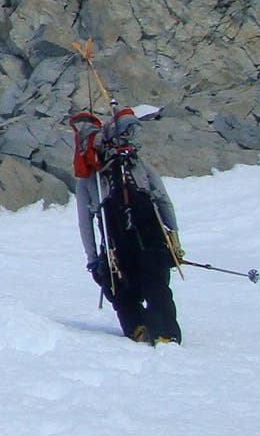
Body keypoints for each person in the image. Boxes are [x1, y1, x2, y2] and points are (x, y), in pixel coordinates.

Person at [72, 107, 182, 344]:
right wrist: (174, 239)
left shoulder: (87, 179)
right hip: (150, 234)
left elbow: (85, 223)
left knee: (120, 289)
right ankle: (166, 333)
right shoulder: (138, 164)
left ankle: (137, 328)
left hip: (116, 241)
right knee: (156, 283)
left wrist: (92, 259)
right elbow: (163, 200)